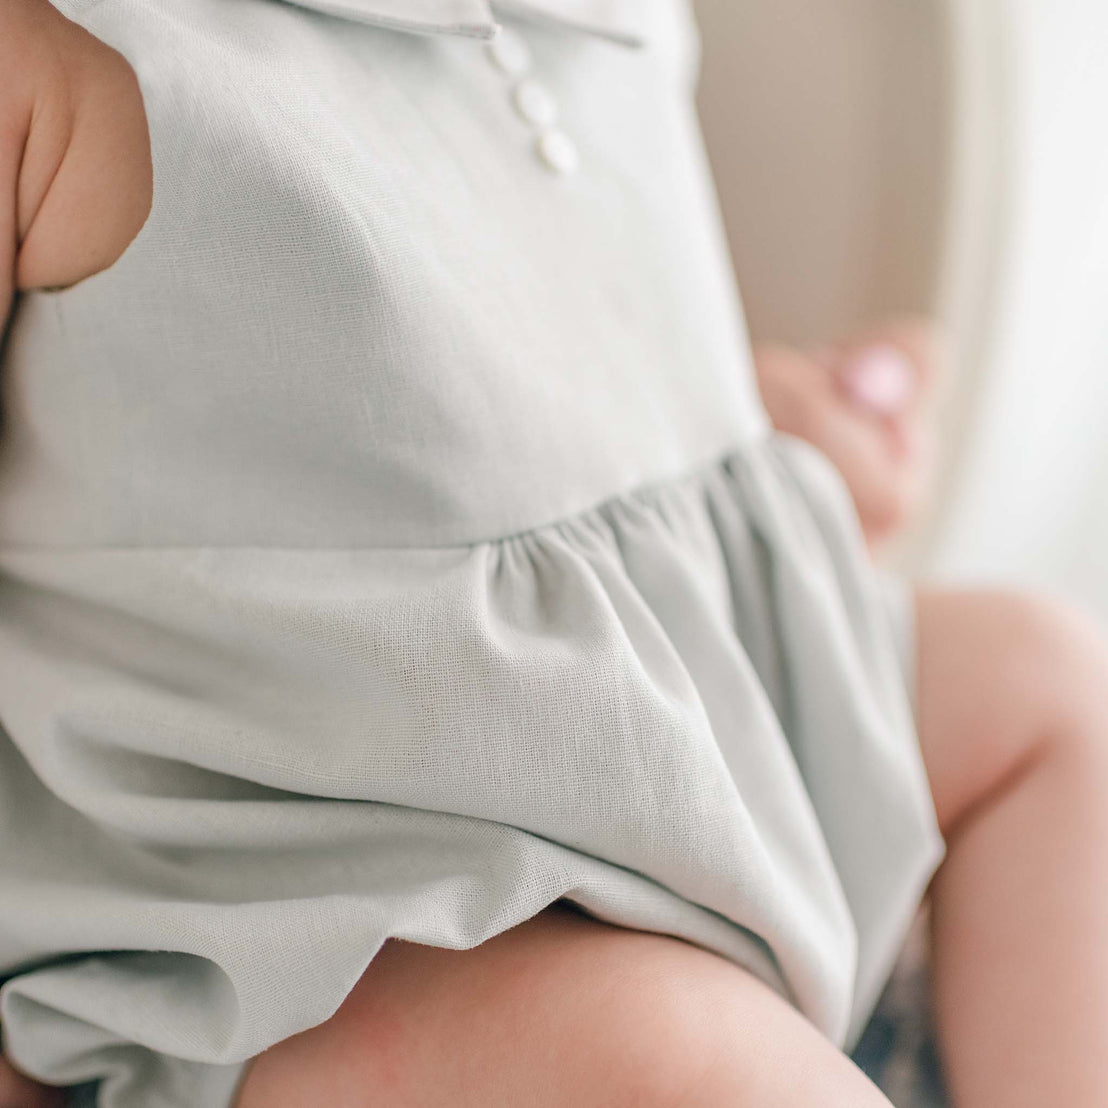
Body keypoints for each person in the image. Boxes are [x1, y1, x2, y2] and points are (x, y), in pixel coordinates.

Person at [1, 1, 1106, 1105]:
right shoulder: (53, 56)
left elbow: (480, 378)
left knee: (1047, 682)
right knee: (690, 1069)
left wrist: (736, 429)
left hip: (688, 720)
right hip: (370, 894)